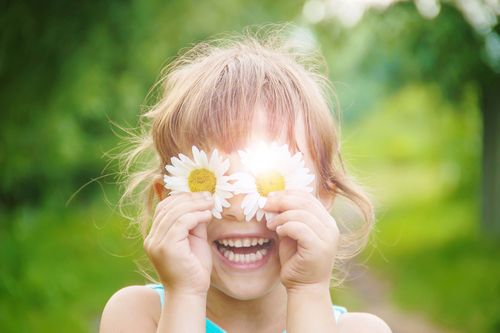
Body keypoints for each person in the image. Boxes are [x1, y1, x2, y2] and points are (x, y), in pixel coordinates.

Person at [99, 24, 392, 333]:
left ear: (322, 197)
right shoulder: (138, 316)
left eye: (269, 180)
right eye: (213, 181)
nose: (237, 208)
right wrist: (185, 294)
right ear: (166, 197)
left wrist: (309, 289)